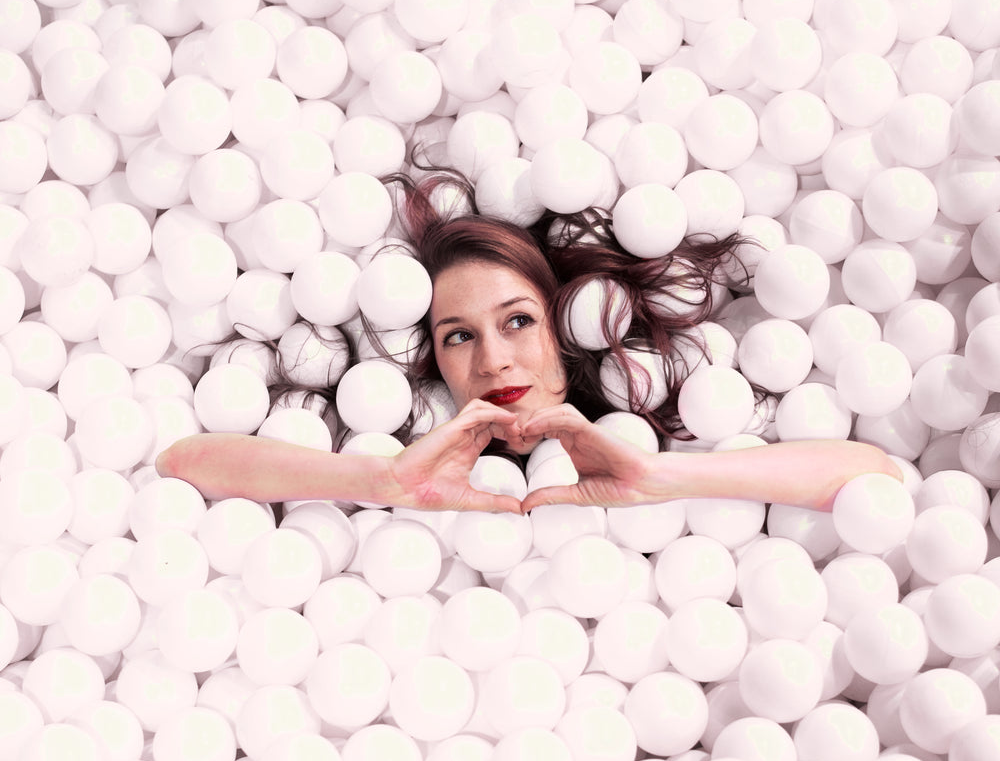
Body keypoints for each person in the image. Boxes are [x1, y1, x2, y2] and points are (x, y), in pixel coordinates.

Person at [156, 155, 903, 517]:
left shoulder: (638, 429)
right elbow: (186, 460)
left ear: (563, 323)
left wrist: (658, 478)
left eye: (517, 321)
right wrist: (380, 483)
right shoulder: (406, 448)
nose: (493, 359)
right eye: (457, 337)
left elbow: (874, 473)